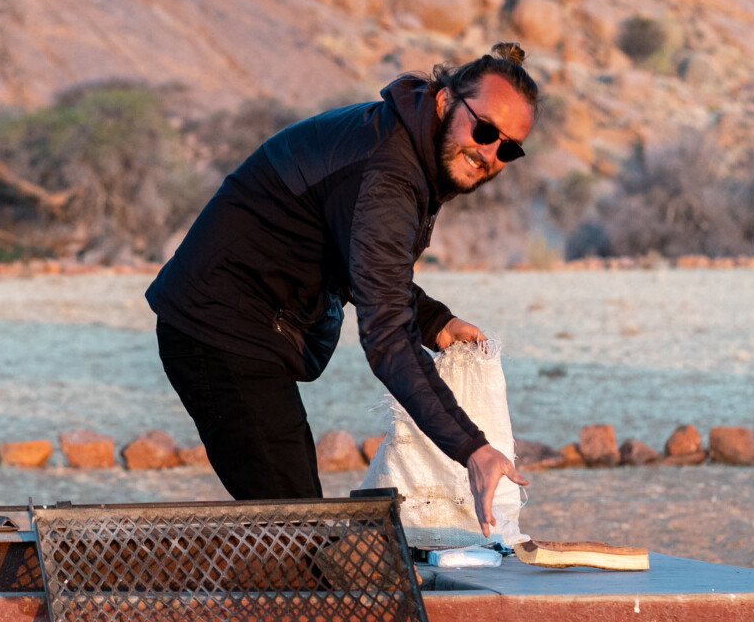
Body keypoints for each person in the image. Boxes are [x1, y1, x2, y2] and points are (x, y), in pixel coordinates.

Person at [147, 42, 535, 532]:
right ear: (444, 102)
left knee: (295, 525)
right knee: (294, 532)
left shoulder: (401, 144)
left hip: (242, 329)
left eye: (509, 148)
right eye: (484, 130)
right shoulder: (390, 173)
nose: (490, 153)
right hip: (219, 332)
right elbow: (386, 335)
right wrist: (471, 448)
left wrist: (435, 322)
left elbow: (366, 265)